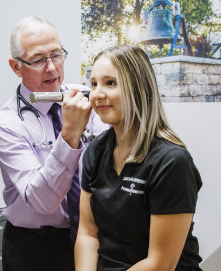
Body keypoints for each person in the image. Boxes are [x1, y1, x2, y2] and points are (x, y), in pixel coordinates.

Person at [0, 16, 109, 271]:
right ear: (16, 67)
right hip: (35, 247)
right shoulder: (7, 123)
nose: (52, 68)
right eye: (38, 60)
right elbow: (42, 201)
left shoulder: (85, 98)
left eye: (57, 55)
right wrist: (69, 135)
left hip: (92, 236)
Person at [75, 45, 203, 271]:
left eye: (110, 83)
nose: (96, 94)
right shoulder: (96, 151)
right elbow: (87, 233)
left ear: (139, 88)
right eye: (93, 84)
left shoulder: (171, 162)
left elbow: (160, 263)